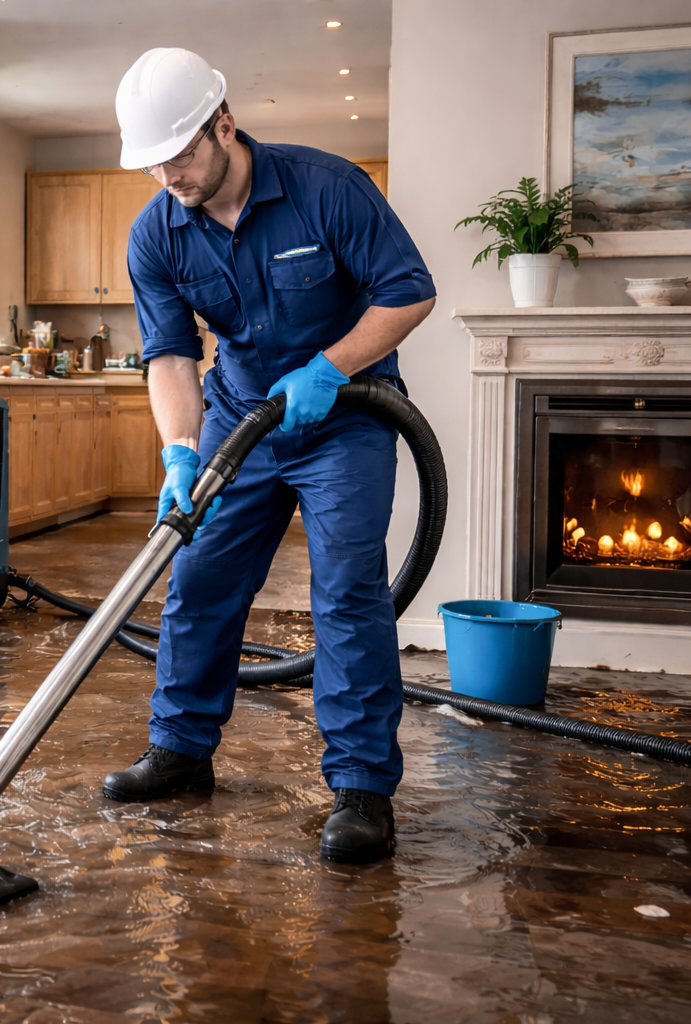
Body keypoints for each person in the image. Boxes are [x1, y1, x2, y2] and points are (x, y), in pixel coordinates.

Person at [101, 49, 436, 863]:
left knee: (348, 587)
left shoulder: (327, 187)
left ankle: (360, 788)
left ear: (225, 124)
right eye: (153, 162)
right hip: (237, 422)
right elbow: (171, 353)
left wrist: (331, 368)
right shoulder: (158, 232)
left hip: (344, 418)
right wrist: (180, 452)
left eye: (180, 153)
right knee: (200, 576)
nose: (168, 174)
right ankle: (181, 751)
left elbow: (409, 290)